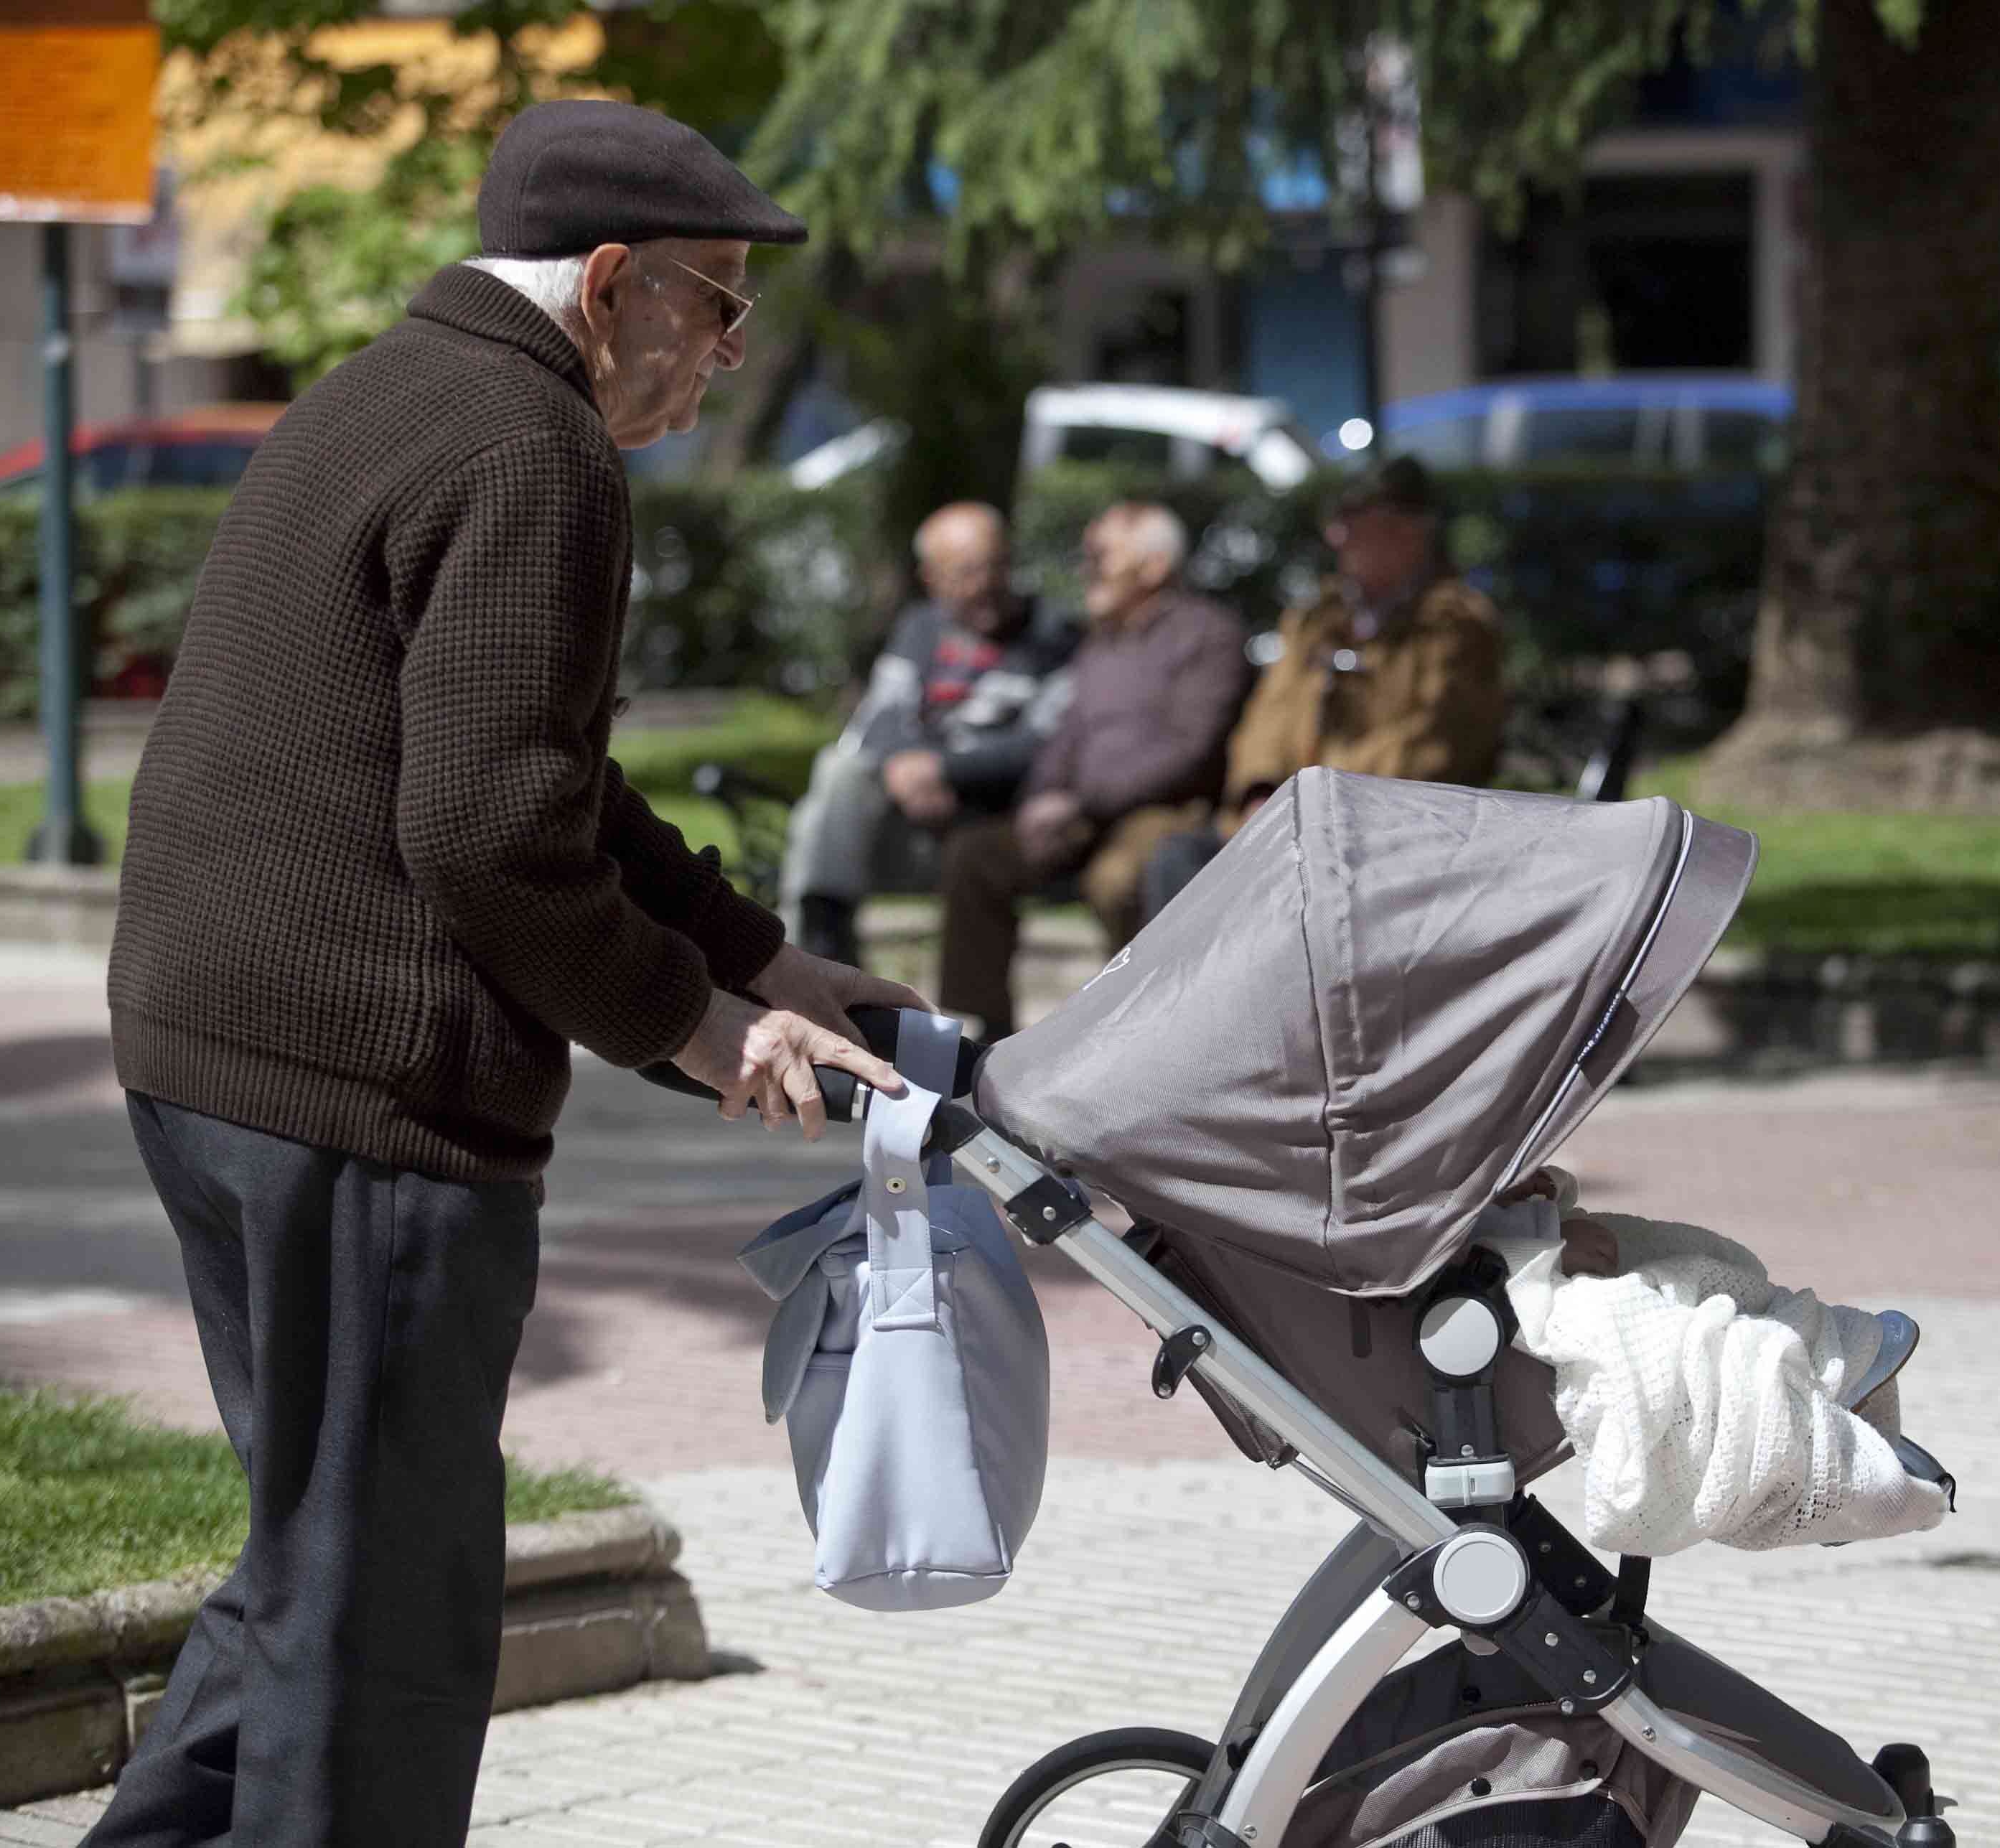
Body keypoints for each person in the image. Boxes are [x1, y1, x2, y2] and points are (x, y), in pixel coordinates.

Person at [95, 99, 922, 1848]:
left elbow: (548, 777)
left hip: (218, 1056)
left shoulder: (396, 384)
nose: (723, 356)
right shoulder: (534, 446)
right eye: (715, 305)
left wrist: (759, 951)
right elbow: (488, 832)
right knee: (384, 1620)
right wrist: (702, 1031)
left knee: (318, 1556)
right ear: (609, 283)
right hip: (357, 1097)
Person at [1139, 455, 1507, 920]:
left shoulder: (1456, 627)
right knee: (1175, 863)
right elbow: (1267, 716)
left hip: (1385, 841)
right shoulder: (1317, 616)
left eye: (1355, 521)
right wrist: (1260, 792)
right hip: (1283, 824)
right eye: (1335, 520)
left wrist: (1310, 804)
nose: (1336, 537)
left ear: (1410, 530)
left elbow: (1429, 749)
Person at [935, 501, 1250, 1040]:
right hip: (1081, 812)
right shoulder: (1101, 642)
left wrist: (1082, 799)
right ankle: (981, 1032)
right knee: (976, 857)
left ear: (1153, 566)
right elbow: (1067, 734)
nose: (1088, 569)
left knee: (1120, 879)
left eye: (1100, 556)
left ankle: (1147, 1035)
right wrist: (1043, 798)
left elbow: (1190, 750)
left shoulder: (1206, 634)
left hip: (1164, 808)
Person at [781, 501, 1079, 966]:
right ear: (931, 579)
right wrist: (906, 765)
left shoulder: (1054, 636)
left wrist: (945, 770)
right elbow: (877, 717)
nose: (985, 586)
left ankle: (821, 953)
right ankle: (825, 938)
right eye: (965, 573)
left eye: (995, 567)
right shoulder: (920, 628)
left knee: (815, 820)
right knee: (839, 771)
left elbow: (1049, 742)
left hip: (987, 817)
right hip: (905, 817)